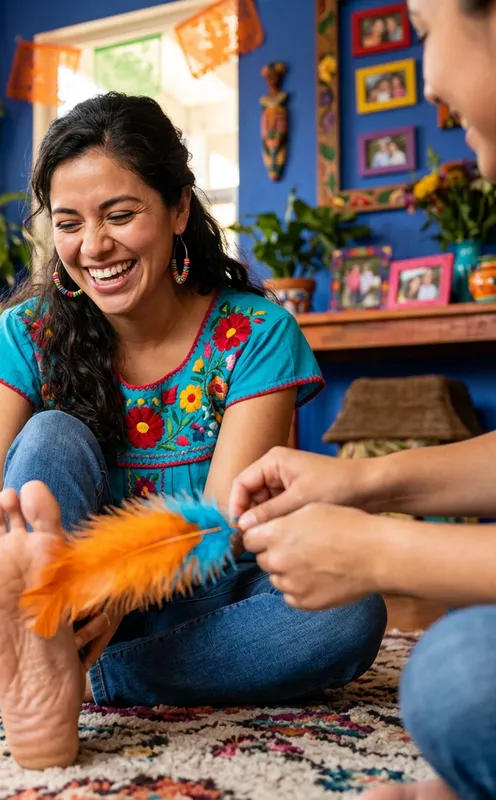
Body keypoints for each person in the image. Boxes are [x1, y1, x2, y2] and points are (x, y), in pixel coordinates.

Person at [0, 93, 387, 769]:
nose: (93, 246)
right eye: (69, 223)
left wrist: (117, 593)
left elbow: (219, 519)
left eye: (120, 214)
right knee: (51, 434)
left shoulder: (256, 335)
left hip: (200, 601)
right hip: (60, 600)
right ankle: (39, 644)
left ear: (179, 209)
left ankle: (49, 678)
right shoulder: (24, 335)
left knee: (351, 608)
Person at [228, 5, 496, 799]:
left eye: (421, 24)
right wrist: (358, 482)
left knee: (457, 673)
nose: (428, 76)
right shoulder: (31, 338)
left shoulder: (257, 334)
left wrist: (377, 551)